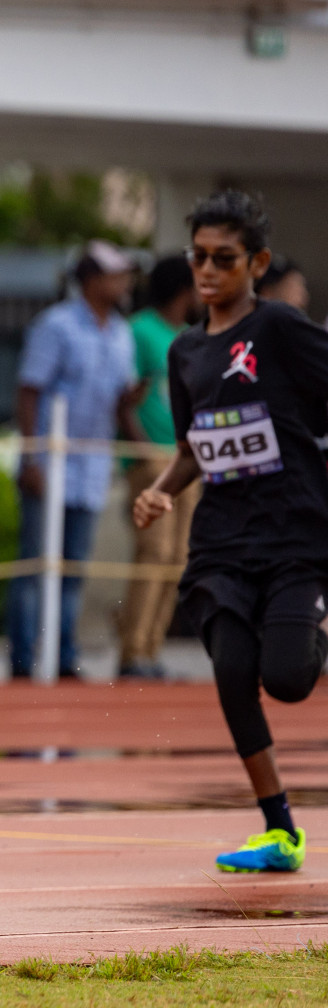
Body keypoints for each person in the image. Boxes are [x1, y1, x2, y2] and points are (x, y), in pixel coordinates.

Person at [133, 190, 328, 873]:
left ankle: (315, 627)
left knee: (290, 678)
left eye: (224, 258)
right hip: (221, 542)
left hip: (296, 533)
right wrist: (159, 492)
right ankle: (279, 829)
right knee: (234, 675)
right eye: (199, 257)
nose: (208, 271)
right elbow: (194, 443)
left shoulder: (280, 328)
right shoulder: (186, 351)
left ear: (257, 262)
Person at [9, 240, 141, 680]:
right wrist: (31, 458)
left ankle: (63, 655)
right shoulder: (57, 326)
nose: (123, 283)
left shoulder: (120, 332)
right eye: (115, 275)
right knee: (35, 564)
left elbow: (119, 402)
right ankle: (24, 659)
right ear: (90, 279)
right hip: (50, 462)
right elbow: (29, 392)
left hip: (92, 465)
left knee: (73, 568)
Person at [118, 254, 201, 680]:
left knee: (177, 557)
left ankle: (150, 649)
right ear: (183, 288)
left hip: (187, 460)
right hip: (152, 460)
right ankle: (133, 651)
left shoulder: (190, 335)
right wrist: (143, 448)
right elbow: (126, 397)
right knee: (153, 552)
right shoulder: (139, 329)